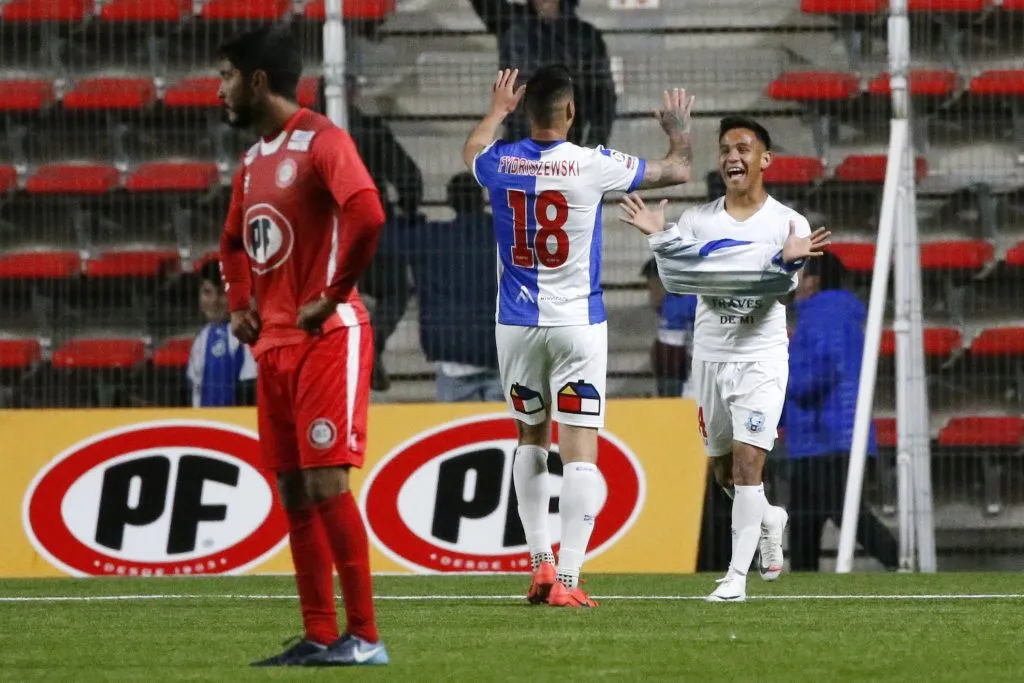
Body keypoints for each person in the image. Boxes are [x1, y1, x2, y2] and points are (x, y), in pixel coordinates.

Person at [465, 66, 827, 608]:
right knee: (580, 448)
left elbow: (470, 148)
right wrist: (679, 132)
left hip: (515, 324)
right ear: (571, 113)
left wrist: (496, 110)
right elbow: (679, 170)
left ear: (525, 112)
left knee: (530, 440)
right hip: (578, 326)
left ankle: (539, 567)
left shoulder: (498, 162)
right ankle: (567, 578)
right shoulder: (592, 163)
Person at [216, 26, 388, 667]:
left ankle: (365, 637)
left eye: (226, 76)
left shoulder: (324, 141)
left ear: (258, 80)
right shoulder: (256, 158)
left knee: (323, 483)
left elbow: (367, 212)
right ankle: (320, 635)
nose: (219, 89)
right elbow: (232, 240)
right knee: (292, 492)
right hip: (275, 347)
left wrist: (335, 291)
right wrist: (238, 303)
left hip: (327, 335)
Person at [625, 115, 820, 602]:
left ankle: (736, 577)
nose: (733, 156)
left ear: (764, 160)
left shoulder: (788, 223)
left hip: (761, 357)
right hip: (710, 358)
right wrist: (660, 238)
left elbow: (778, 290)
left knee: (748, 463)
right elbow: (677, 283)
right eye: (726, 149)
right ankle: (769, 516)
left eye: (743, 148)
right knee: (721, 471)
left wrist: (787, 264)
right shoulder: (696, 222)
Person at [785, 252, 899, 571]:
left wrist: (784, 383)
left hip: (827, 436)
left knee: (843, 514)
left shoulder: (824, 314)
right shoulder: (831, 314)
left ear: (813, 281)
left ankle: (900, 560)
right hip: (822, 436)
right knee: (808, 521)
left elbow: (823, 368)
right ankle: (803, 597)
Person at [345, 76, 424, 392]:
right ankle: (370, 343)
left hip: (324, 237)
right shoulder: (369, 129)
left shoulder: (309, 134)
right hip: (370, 228)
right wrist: (408, 210)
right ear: (352, 92)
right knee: (395, 290)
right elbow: (408, 177)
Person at [468, 0, 616, 147]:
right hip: (520, 138)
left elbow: (603, 96)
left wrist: (594, 143)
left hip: (566, 142)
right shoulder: (511, 21)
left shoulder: (586, 37)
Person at [410, 172, 503, 402]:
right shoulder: (506, 235)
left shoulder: (431, 238)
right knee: (506, 433)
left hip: (453, 352)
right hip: (501, 350)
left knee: (461, 432)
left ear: (450, 202)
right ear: (482, 200)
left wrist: (407, 216)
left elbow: (385, 240)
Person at [186, 260, 257, 408]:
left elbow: (251, 390)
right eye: (207, 292)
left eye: (221, 293)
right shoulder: (201, 339)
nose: (214, 301)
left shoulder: (245, 333)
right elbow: (195, 392)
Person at [641, 257, 696, 398]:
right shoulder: (674, 304)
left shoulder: (677, 305)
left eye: (653, 286)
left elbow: (670, 349)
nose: (651, 294)